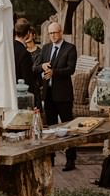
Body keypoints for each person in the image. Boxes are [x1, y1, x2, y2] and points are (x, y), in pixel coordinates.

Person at [33, 22, 78, 171]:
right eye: (51, 33)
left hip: (63, 94)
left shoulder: (70, 48)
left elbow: (70, 69)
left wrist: (54, 72)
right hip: (48, 94)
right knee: (50, 128)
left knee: (68, 127)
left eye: (55, 33)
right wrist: (42, 67)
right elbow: (35, 67)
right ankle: (50, 159)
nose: (53, 36)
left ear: (61, 32)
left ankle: (70, 160)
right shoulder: (45, 48)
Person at [13, 18, 37, 96]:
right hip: (20, 95)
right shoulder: (24, 54)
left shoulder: (7, 48)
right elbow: (28, 80)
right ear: (27, 33)